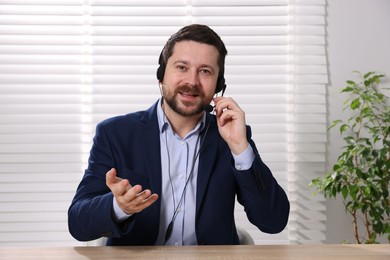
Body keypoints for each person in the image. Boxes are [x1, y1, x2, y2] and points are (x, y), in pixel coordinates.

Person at [68, 24, 289, 246]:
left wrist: (241, 149)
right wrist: (119, 207)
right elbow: (78, 223)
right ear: (161, 75)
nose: (192, 82)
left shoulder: (231, 137)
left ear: (218, 85)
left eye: (205, 71)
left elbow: (273, 221)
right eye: (182, 67)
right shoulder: (115, 134)